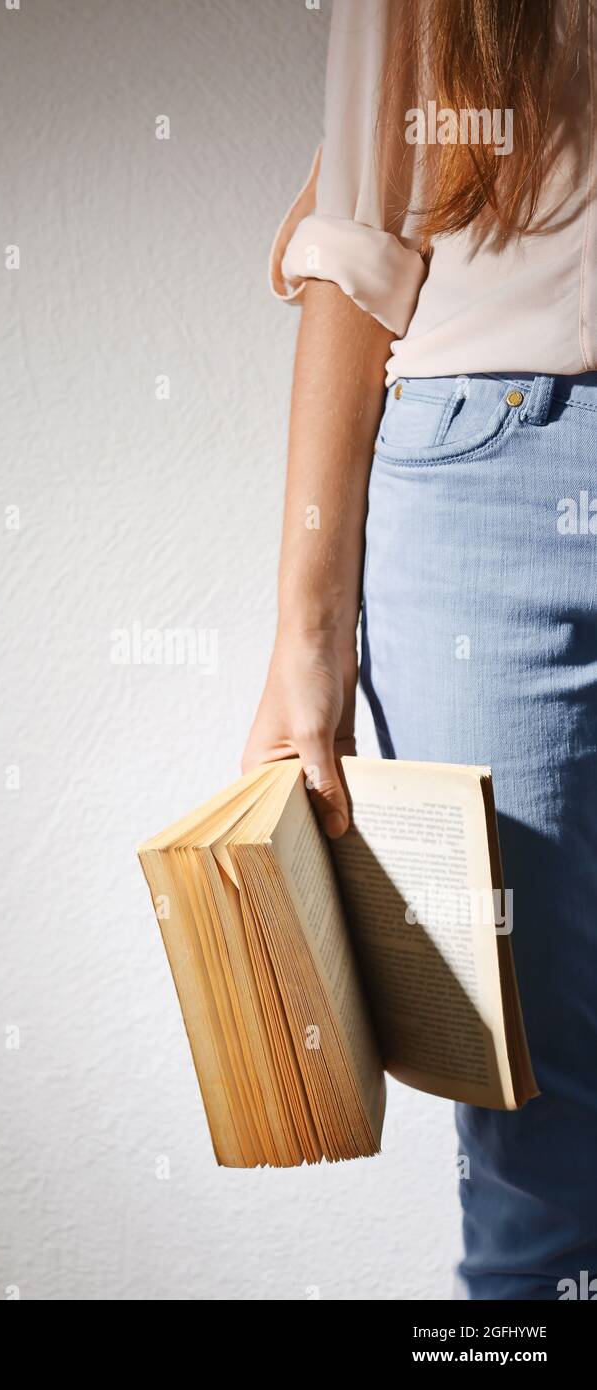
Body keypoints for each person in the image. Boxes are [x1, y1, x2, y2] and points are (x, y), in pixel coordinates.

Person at [242, 0, 597, 1300]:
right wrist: (302, 637)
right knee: (539, 1118)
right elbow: (360, 224)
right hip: (490, 475)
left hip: (486, 455)